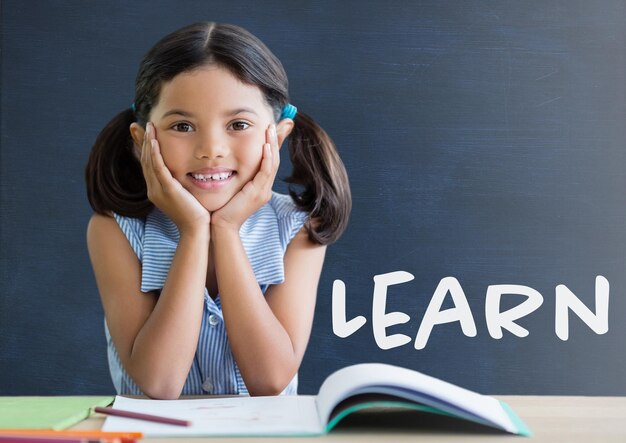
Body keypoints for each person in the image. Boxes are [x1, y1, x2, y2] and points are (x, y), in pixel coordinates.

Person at [85, 22, 351, 400]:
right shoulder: (115, 230)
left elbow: (270, 379)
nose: (211, 148)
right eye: (182, 125)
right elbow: (159, 382)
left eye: (238, 124)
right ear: (142, 140)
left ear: (276, 136)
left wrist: (225, 230)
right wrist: (194, 232)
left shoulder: (299, 227)